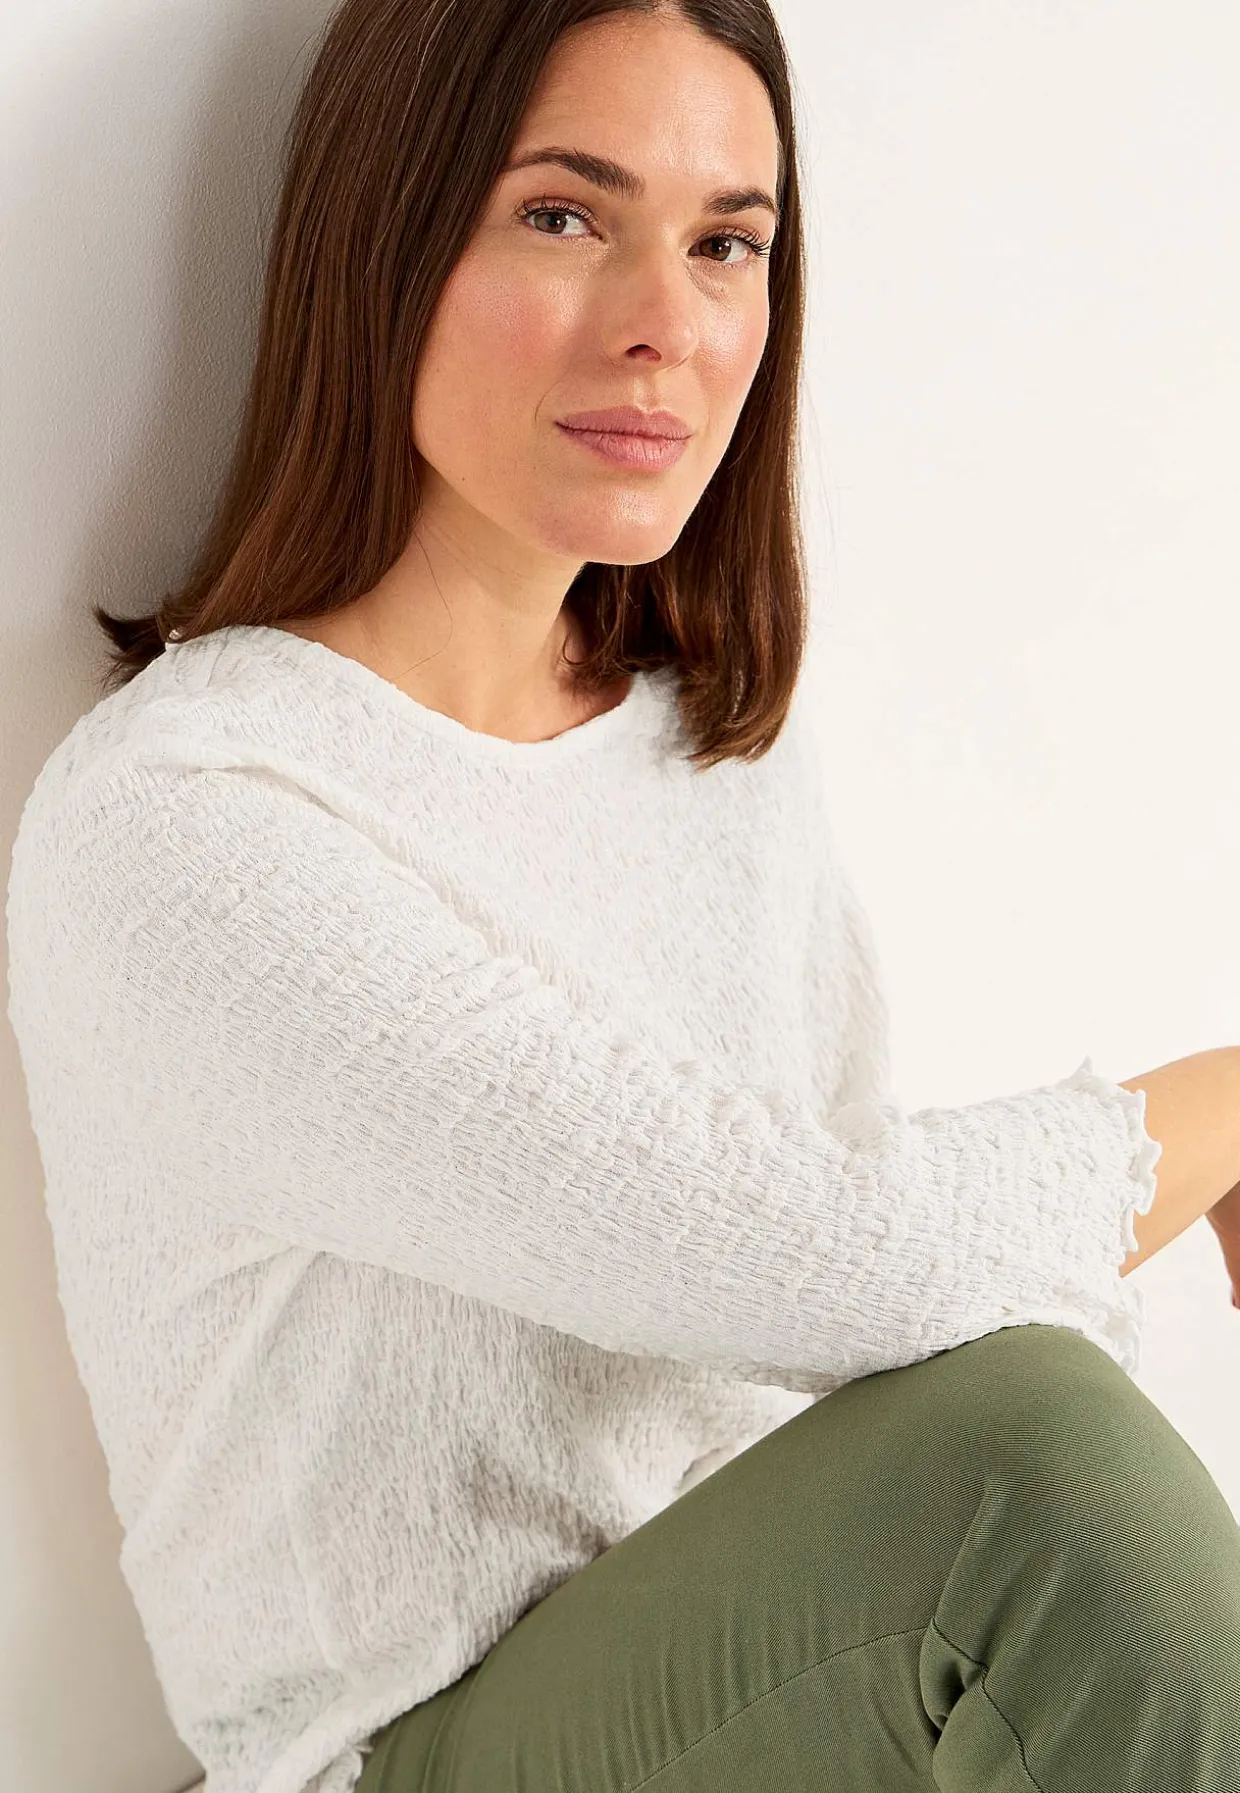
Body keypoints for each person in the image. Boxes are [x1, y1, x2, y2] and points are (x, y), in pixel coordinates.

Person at [7, 2, 1240, 1790]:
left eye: (727, 242)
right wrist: (1222, 1105)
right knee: (1034, 1468)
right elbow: (821, 1257)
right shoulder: (191, 821)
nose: (666, 323)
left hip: (784, 1697)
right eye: (564, 215)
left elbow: (879, 1314)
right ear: (387, 238)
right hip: (418, 1748)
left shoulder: (708, 749)